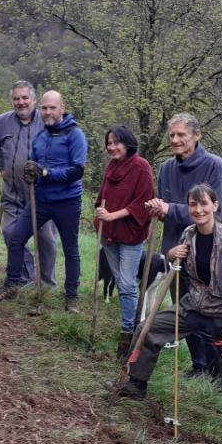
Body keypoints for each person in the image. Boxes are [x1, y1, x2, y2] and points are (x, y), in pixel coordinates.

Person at [110, 184, 222, 430]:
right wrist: (172, 253)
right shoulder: (188, 233)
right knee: (148, 328)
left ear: (215, 206)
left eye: (204, 204)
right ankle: (135, 384)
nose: (198, 210)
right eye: (193, 205)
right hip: (194, 308)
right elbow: (179, 264)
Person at [144, 113, 222, 378]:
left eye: (181, 134)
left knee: (208, 312)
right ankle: (199, 365)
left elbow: (218, 210)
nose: (175, 140)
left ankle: (217, 371)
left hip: (207, 250)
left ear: (196, 135)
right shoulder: (166, 168)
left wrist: (170, 209)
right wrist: (156, 209)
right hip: (175, 249)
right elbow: (164, 208)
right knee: (183, 309)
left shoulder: (214, 165)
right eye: (172, 135)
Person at [0, 90, 88, 312]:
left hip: (67, 201)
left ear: (62, 108)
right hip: (40, 200)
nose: (47, 112)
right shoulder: (42, 136)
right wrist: (31, 172)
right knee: (16, 237)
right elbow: (35, 164)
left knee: (71, 249)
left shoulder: (75, 134)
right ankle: (12, 285)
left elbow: (77, 170)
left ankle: (71, 296)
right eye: (45, 108)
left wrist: (46, 173)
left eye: (52, 108)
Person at [0, 80, 57, 287]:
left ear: (34, 99)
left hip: (43, 194)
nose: (21, 102)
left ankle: (46, 284)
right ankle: (26, 276)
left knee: (47, 241)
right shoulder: (2, 122)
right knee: (10, 233)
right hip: (13, 192)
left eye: (25, 98)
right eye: (16, 98)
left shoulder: (47, 121)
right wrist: (1, 165)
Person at [93, 125, 155, 355]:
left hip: (130, 234)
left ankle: (129, 333)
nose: (112, 147)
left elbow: (142, 202)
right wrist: (101, 211)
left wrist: (112, 215)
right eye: (109, 143)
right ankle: (129, 326)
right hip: (109, 233)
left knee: (128, 284)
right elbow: (104, 196)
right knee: (120, 281)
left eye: (116, 142)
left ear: (128, 143)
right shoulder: (112, 166)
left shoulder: (141, 167)